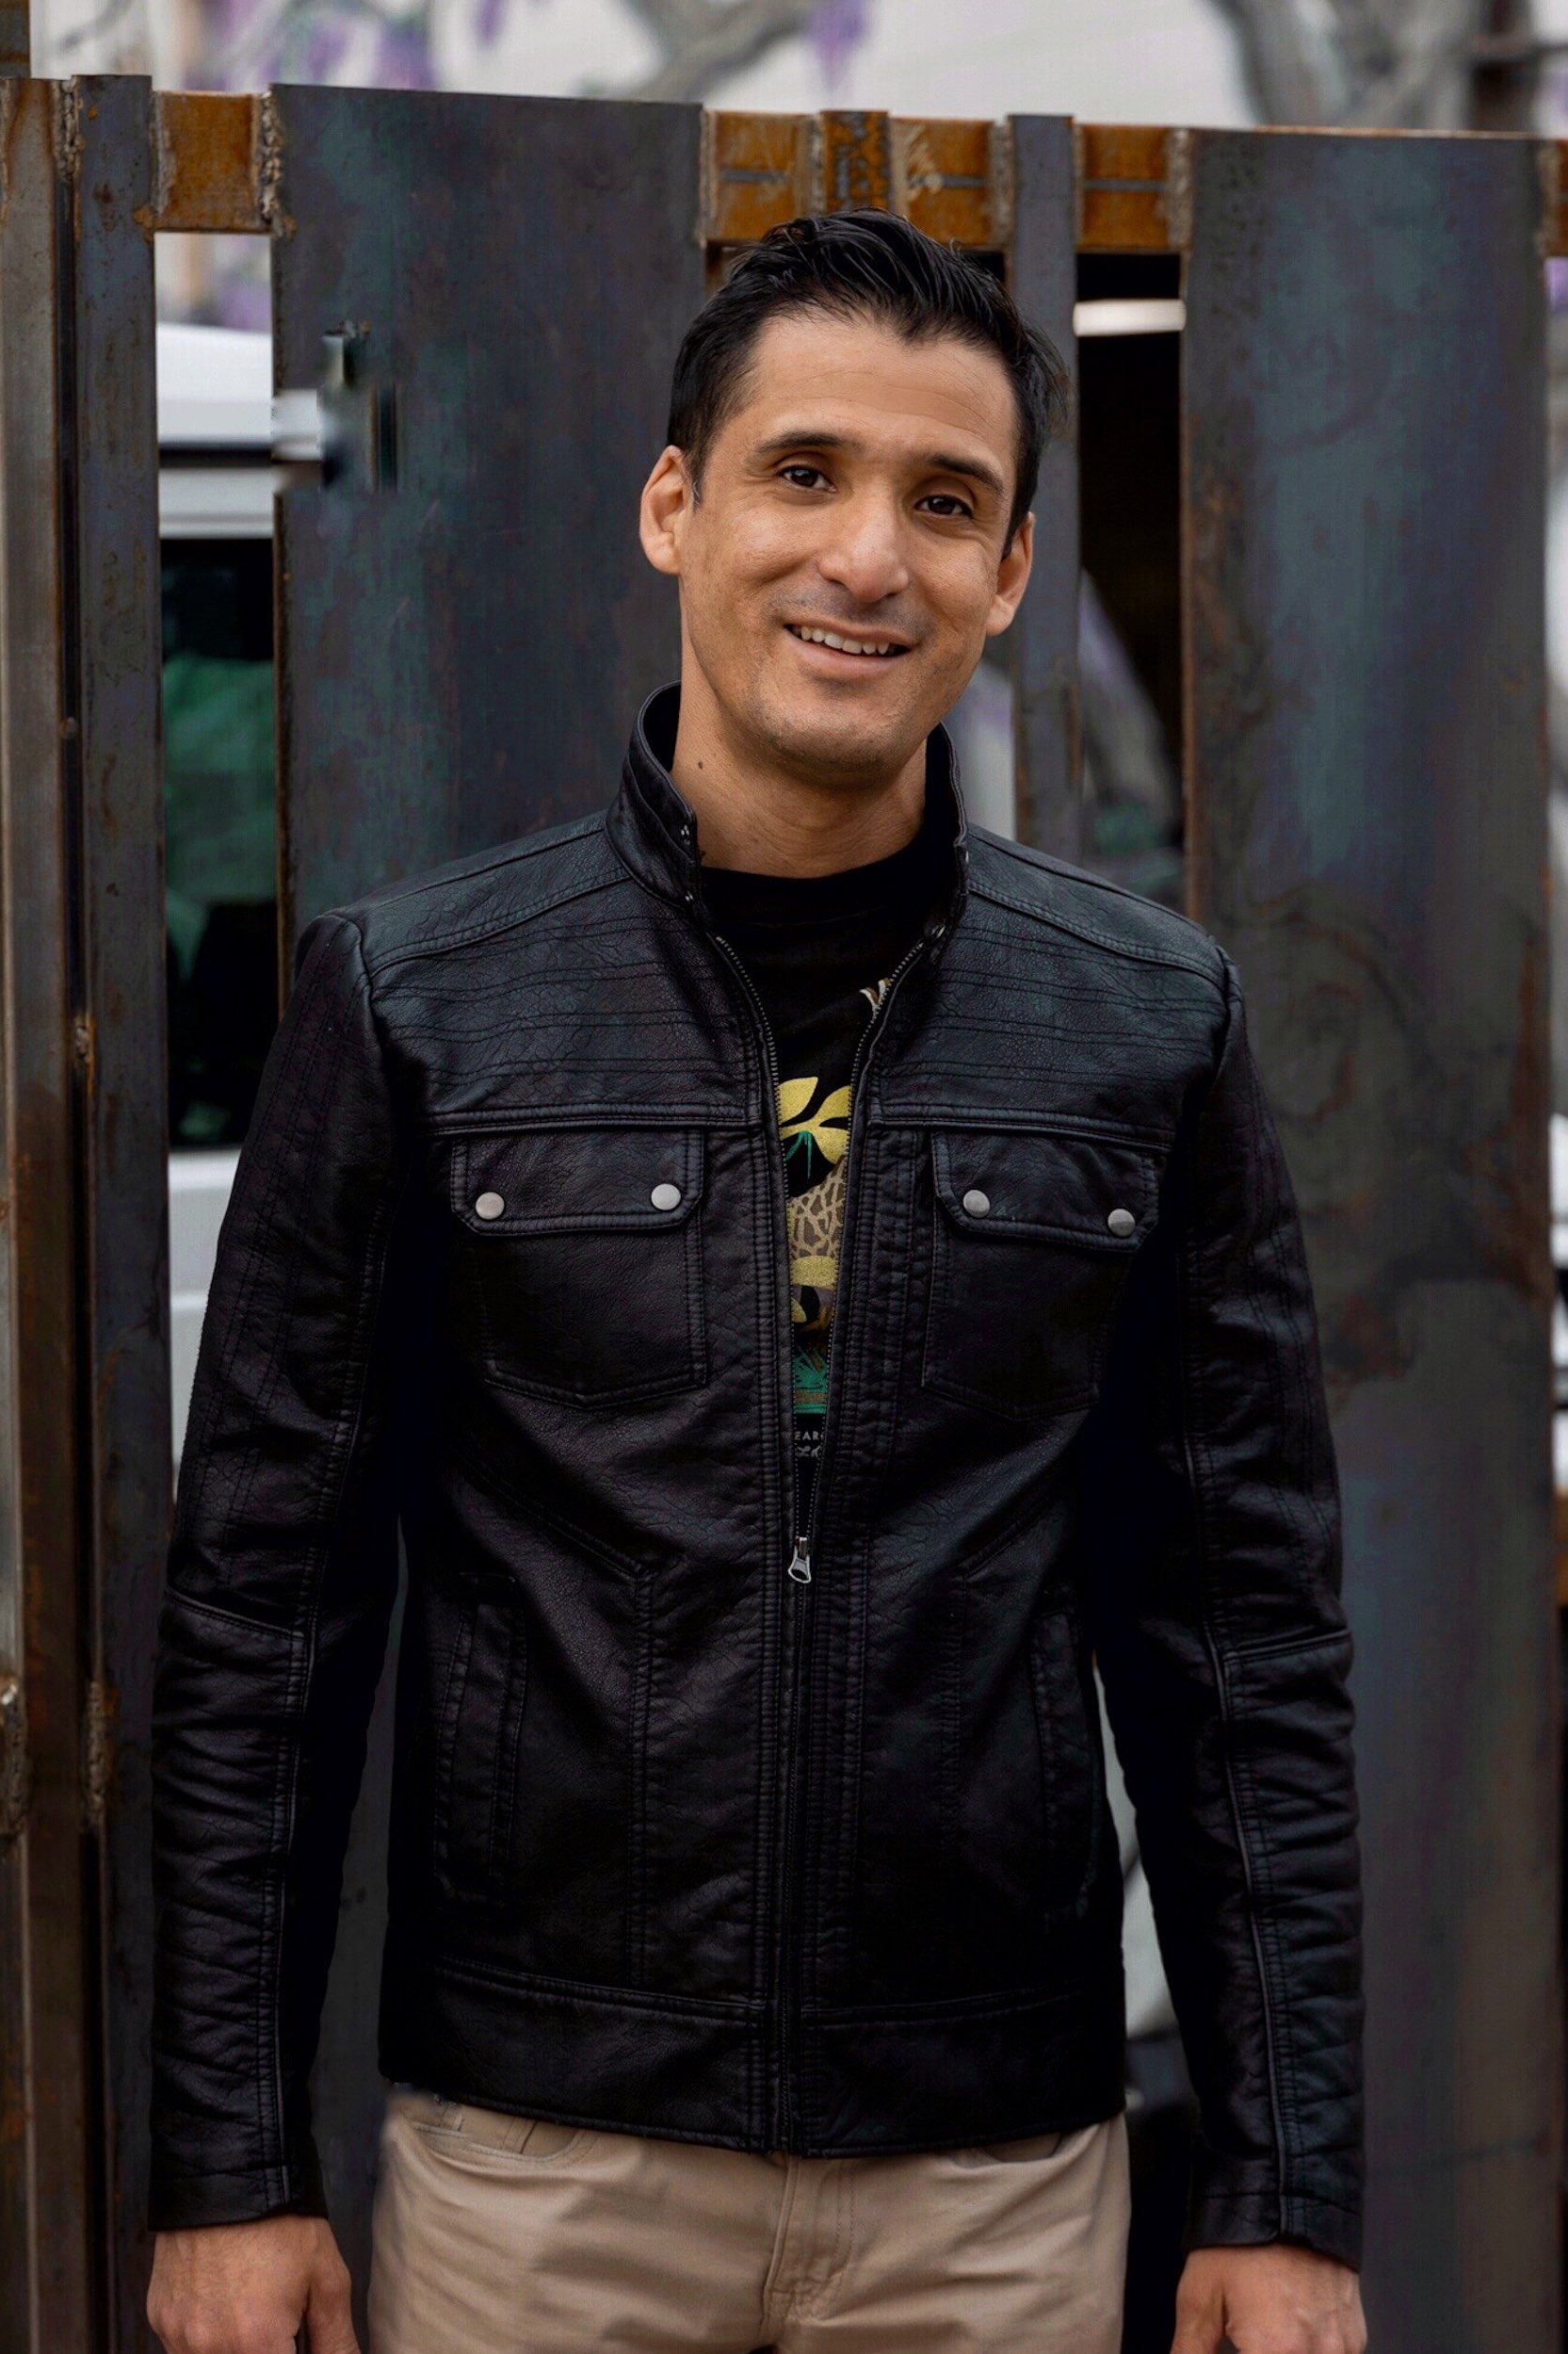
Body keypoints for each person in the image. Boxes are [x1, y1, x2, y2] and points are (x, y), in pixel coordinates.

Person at [146, 211, 1366, 2354]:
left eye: (943, 499)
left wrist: (1282, 2184)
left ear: (1003, 576)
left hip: (985, 2174)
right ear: (672, 504)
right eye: (802, 470)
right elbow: (265, 1614)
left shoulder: (1142, 1024)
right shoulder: (421, 999)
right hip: (542, 2166)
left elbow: (1236, 1630)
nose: (864, 556)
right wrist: (228, 2161)